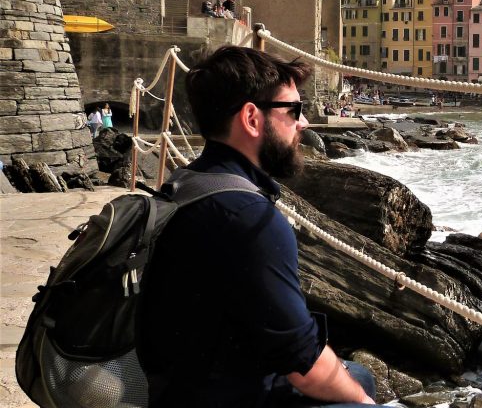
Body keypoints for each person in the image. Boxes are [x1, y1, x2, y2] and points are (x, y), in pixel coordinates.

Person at [138, 46, 381, 407]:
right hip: (214, 395)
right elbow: (304, 362)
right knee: (358, 394)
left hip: (174, 384)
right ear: (252, 118)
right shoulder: (249, 217)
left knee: (357, 374)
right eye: (294, 111)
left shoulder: (189, 180)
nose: (304, 123)